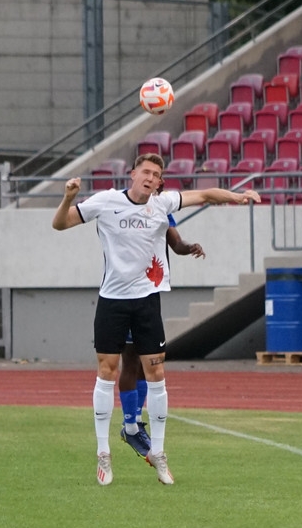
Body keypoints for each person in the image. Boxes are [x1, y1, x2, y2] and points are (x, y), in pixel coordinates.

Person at [52, 152, 259, 486]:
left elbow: (205, 195)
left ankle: (158, 453)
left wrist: (237, 196)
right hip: (112, 301)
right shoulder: (106, 201)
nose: (150, 178)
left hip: (147, 301)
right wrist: (68, 198)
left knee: (157, 372)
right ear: (133, 174)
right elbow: (60, 224)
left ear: (160, 182)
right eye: (145, 172)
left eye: (156, 175)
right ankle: (103, 452)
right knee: (107, 371)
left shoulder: (163, 204)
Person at [118, 213, 205, 459]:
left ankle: (135, 423)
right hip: (123, 295)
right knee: (130, 360)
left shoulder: (162, 210)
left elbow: (176, 243)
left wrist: (190, 247)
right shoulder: (123, 208)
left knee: (149, 362)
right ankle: (130, 425)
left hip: (150, 295)